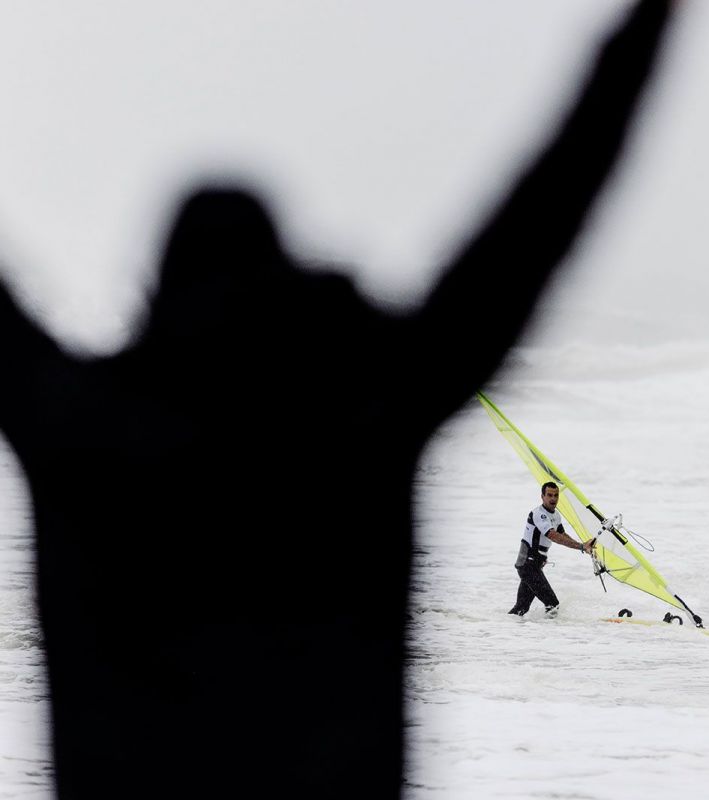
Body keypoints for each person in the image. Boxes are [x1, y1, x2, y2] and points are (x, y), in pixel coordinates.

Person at [0, 2, 672, 797]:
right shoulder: (366, 414)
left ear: (157, 286)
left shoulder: (81, 425)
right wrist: (650, 27)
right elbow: (538, 224)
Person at [508, 482, 596, 617]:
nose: (553, 498)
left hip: (533, 565)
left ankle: (502, 626)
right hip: (528, 564)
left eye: (556, 495)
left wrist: (583, 546)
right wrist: (581, 547)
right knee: (553, 605)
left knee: (521, 608)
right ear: (542, 497)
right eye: (549, 495)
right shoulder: (538, 514)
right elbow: (553, 536)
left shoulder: (556, 515)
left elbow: (562, 535)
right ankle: (550, 631)